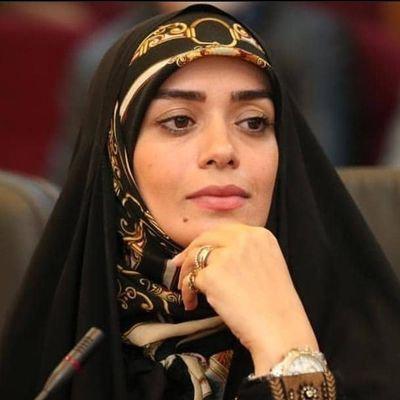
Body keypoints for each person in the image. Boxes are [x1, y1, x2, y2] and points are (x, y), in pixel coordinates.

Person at [1, 4, 399, 400]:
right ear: (118, 155)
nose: (222, 150)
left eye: (254, 122)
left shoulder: (367, 345)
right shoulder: (67, 342)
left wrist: (286, 348)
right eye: (179, 121)